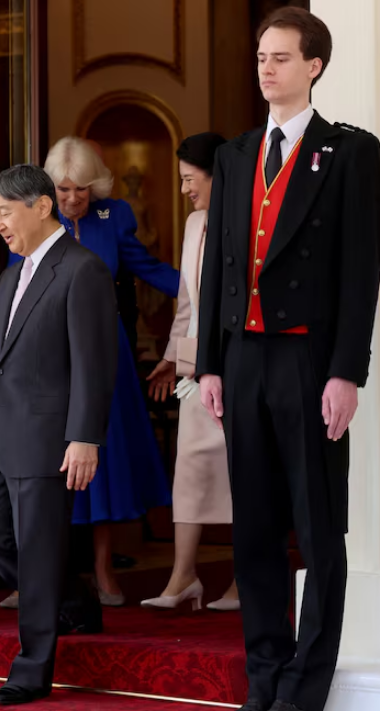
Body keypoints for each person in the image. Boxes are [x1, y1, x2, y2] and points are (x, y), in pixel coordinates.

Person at [196, 9, 380, 711]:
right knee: (252, 527)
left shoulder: (348, 153)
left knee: (316, 526)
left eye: (279, 57)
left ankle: (304, 688)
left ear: (313, 66)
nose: (265, 68)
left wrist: (346, 371)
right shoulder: (235, 154)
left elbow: (358, 271)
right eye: (260, 57)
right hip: (241, 360)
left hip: (309, 362)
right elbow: (218, 265)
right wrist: (207, 363)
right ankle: (265, 676)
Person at [9, 137, 179, 606]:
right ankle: (38, 577)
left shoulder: (114, 216)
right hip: (47, 357)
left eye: (81, 190)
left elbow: (146, 267)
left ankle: (104, 571)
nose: (71, 200)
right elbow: (15, 286)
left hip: (106, 352)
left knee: (101, 463)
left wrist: (203, 289)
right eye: (62, 191)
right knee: (44, 464)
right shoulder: (34, 217)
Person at [0, 164, 118, 706]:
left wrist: (84, 437)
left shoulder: (83, 271)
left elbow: (94, 365)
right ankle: (76, 601)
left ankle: (32, 669)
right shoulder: (11, 275)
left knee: (36, 552)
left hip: (48, 438)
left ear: (40, 206)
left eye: (4, 213)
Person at [143, 132, 240, 612]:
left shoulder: (249, 217)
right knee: (190, 471)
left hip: (242, 366)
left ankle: (245, 582)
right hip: (199, 369)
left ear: (215, 174)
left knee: (247, 476)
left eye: (188, 178)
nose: (183, 189)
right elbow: (189, 304)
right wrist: (171, 357)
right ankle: (183, 578)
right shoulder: (196, 224)